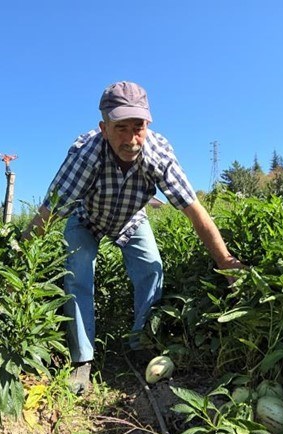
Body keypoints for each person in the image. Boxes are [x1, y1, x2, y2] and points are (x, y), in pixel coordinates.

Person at [24, 81, 243, 394]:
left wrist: (225, 261)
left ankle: (141, 342)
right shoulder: (85, 155)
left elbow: (195, 211)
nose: (131, 139)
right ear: (104, 128)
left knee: (151, 268)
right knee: (78, 273)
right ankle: (82, 360)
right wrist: (17, 260)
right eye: (120, 128)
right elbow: (49, 212)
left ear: (148, 123)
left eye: (138, 127)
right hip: (86, 219)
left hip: (131, 218)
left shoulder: (158, 154)